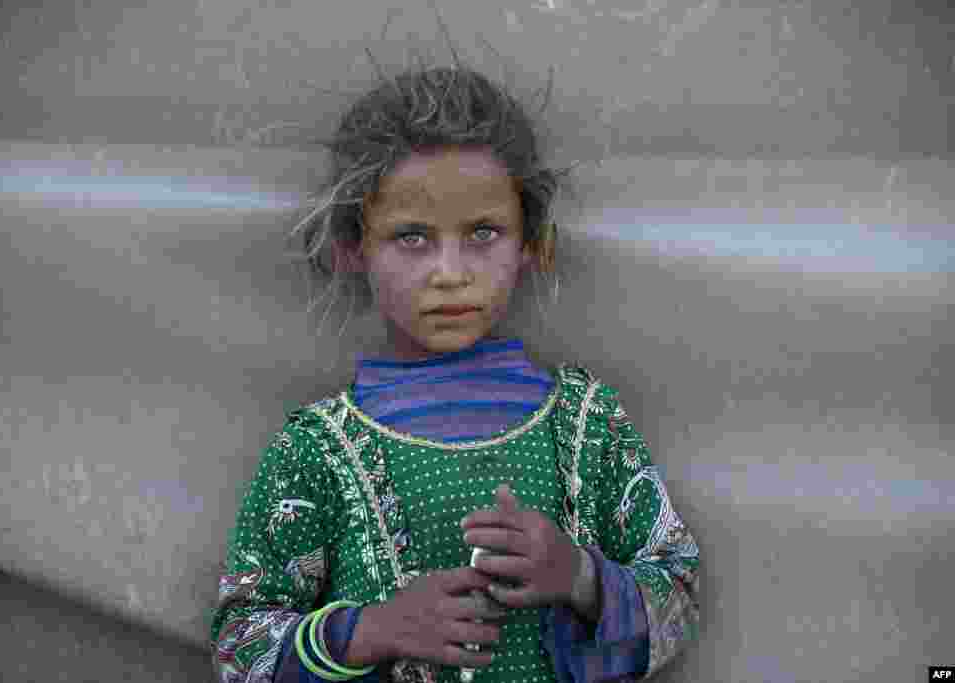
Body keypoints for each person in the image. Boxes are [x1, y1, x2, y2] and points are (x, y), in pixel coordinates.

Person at [208, 6, 700, 682]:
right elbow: (238, 643)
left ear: (533, 245)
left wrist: (580, 576)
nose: (449, 270)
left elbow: (680, 595)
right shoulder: (315, 451)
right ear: (353, 248)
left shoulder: (587, 428)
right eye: (411, 235)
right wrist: (372, 629)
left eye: (483, 233)